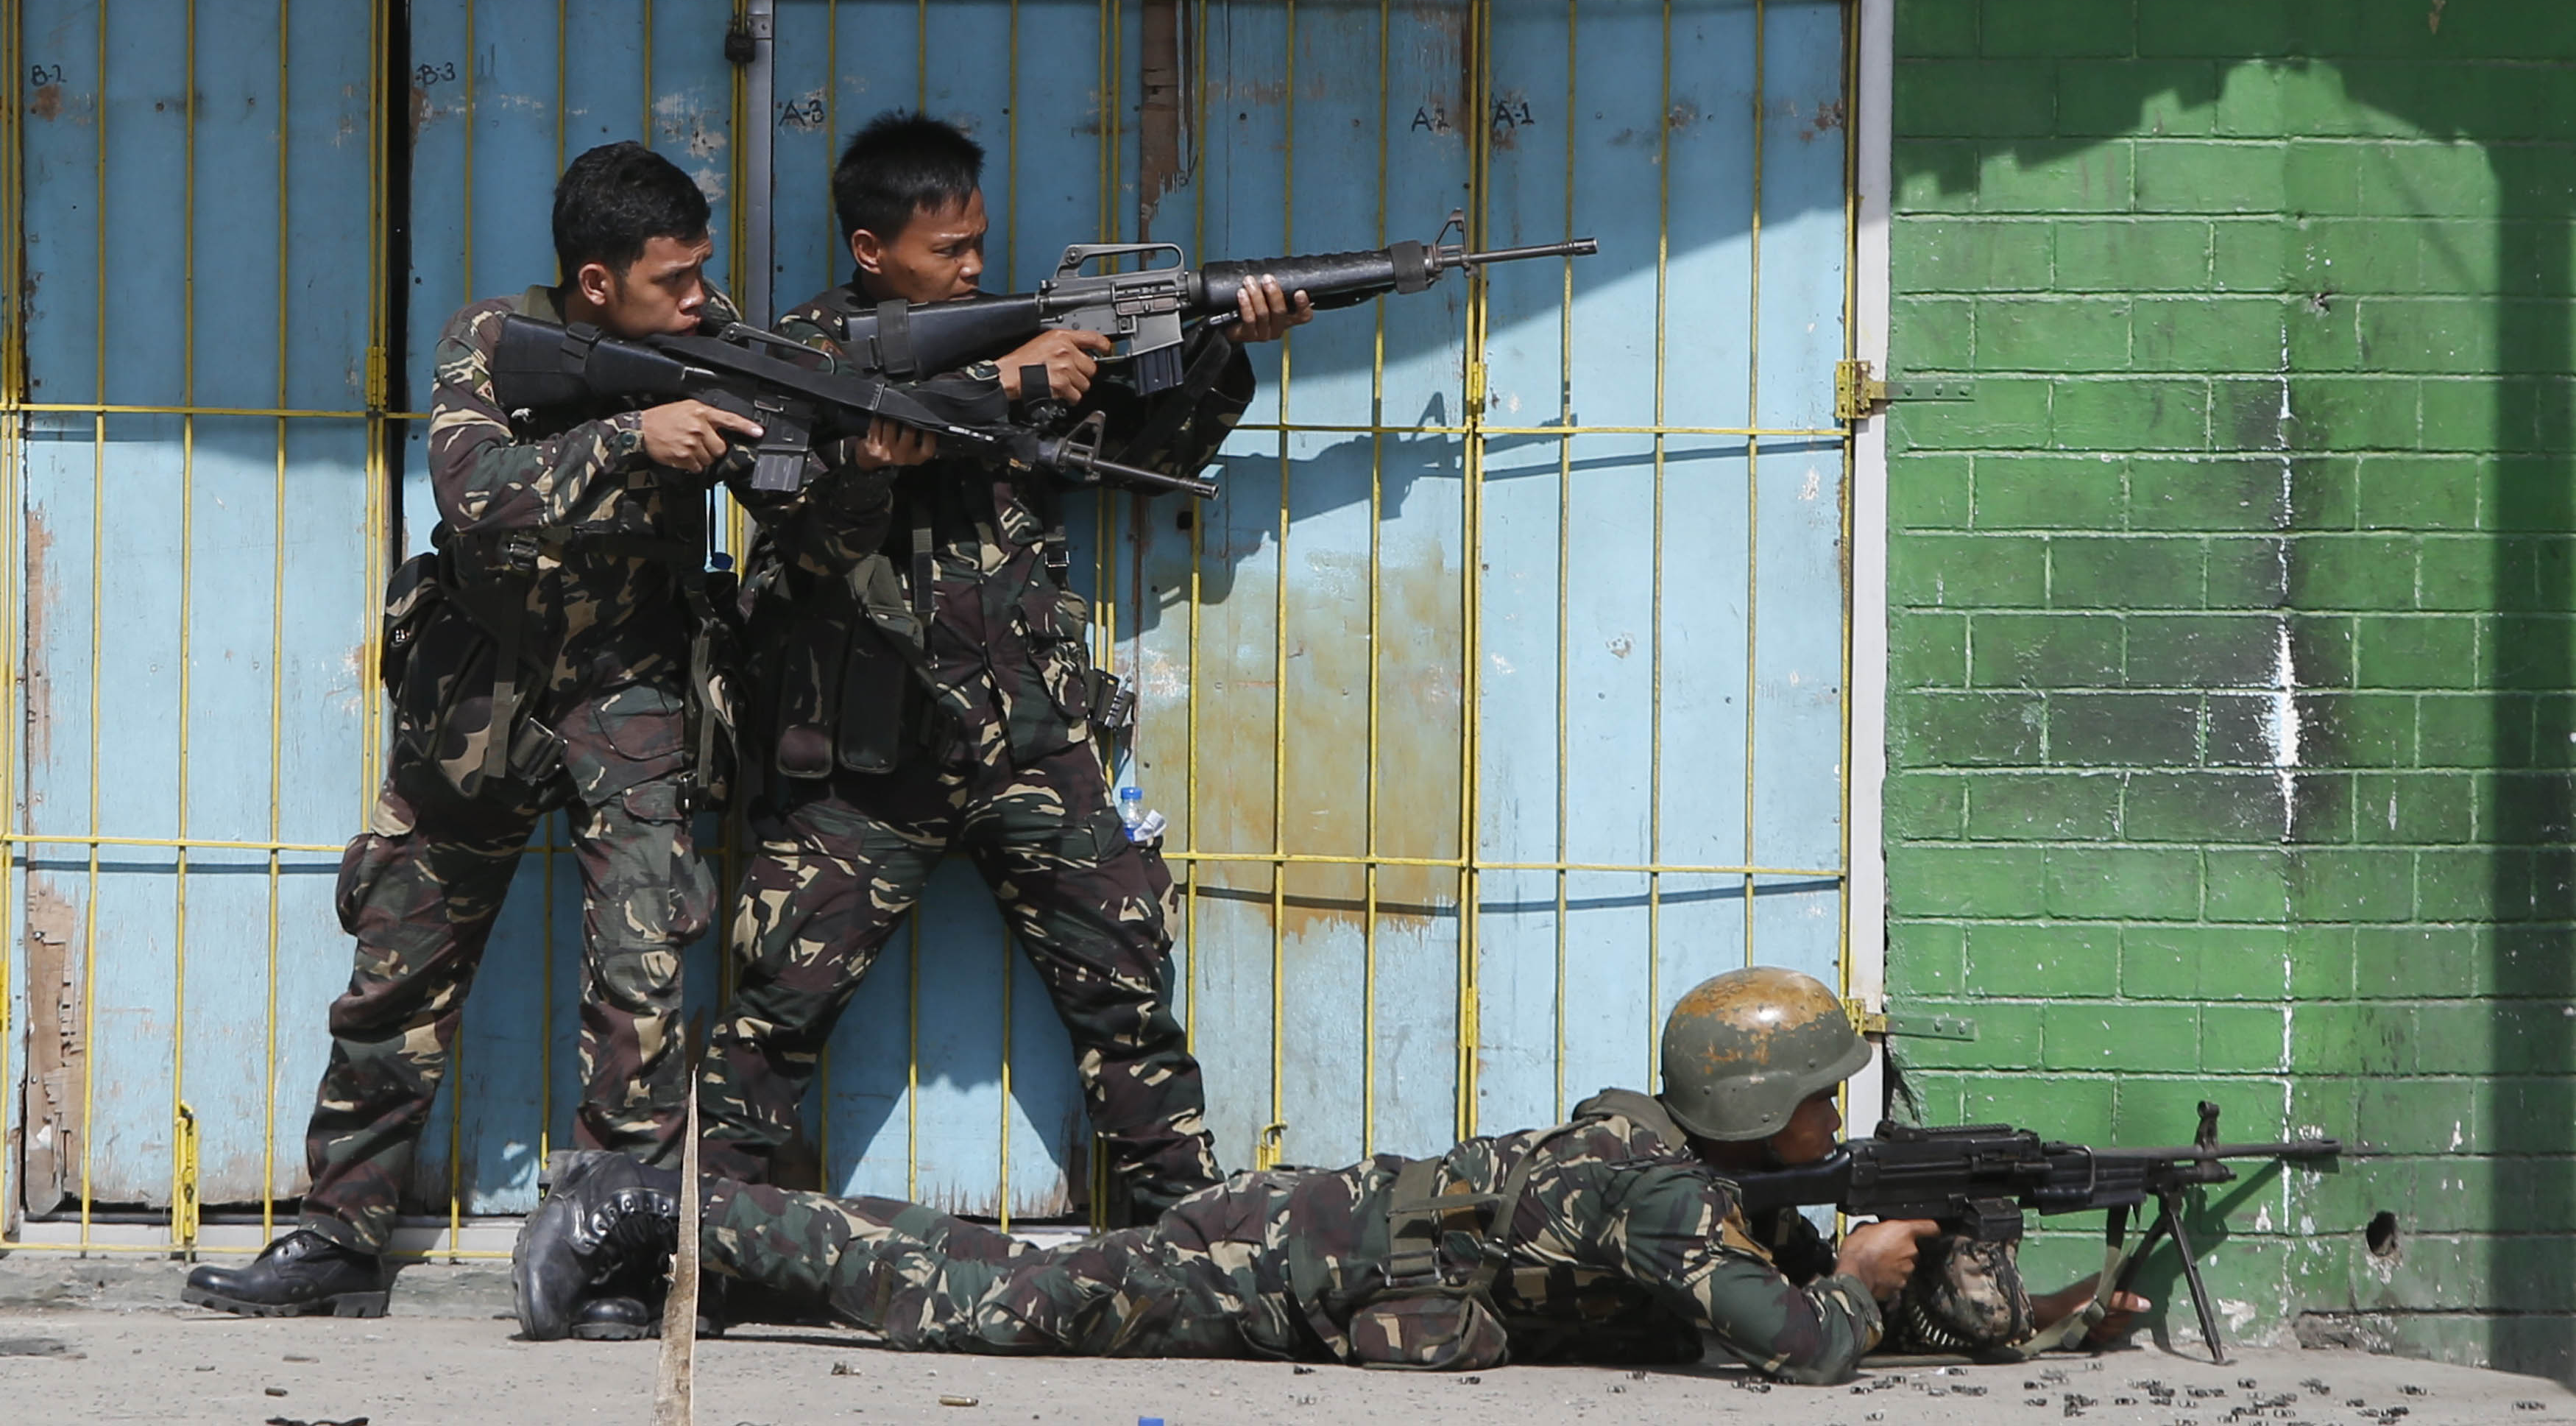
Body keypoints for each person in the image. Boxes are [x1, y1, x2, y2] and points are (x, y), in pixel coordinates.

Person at [692, 110, 1310, 1219]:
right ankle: (704, 1234)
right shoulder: (797, 358)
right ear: (872, 251)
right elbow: (810, 517)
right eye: (949, 252)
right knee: (779, 1002)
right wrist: (1010, 386)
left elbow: (1143, 457)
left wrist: (1223, 350)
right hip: (862, 748)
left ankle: (1198, 1242)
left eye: (979, 243)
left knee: (1126, 986)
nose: (976, 267)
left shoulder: (1007, 327)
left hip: (1029, 732)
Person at [185, 143, 761, 1327]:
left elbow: (789, 488)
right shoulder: (493, 337)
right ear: (597, 285)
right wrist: (631, 439)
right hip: (478, 692)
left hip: (632, 688)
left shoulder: (718, 339)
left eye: (703, 271)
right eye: (674, 279)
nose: (699, 298)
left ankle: (613, 1257)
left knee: (639, 985)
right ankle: (339, 1238)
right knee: (400, 961)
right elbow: (471, 487)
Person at [517, 967, 2145, 1382]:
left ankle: (702, 1263)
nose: (1835, 1126)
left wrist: (2049, 1307)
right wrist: (1857, 1290)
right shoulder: (1661, 1198)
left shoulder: (1672, 1165)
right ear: (1767, 1108)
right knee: (984, 1295)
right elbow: (1789, 1347)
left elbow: (1743, 1295)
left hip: (1338, 1237)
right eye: (1823, 1105)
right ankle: (653, 1205)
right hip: (1293, 1261)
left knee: (995, 1285)